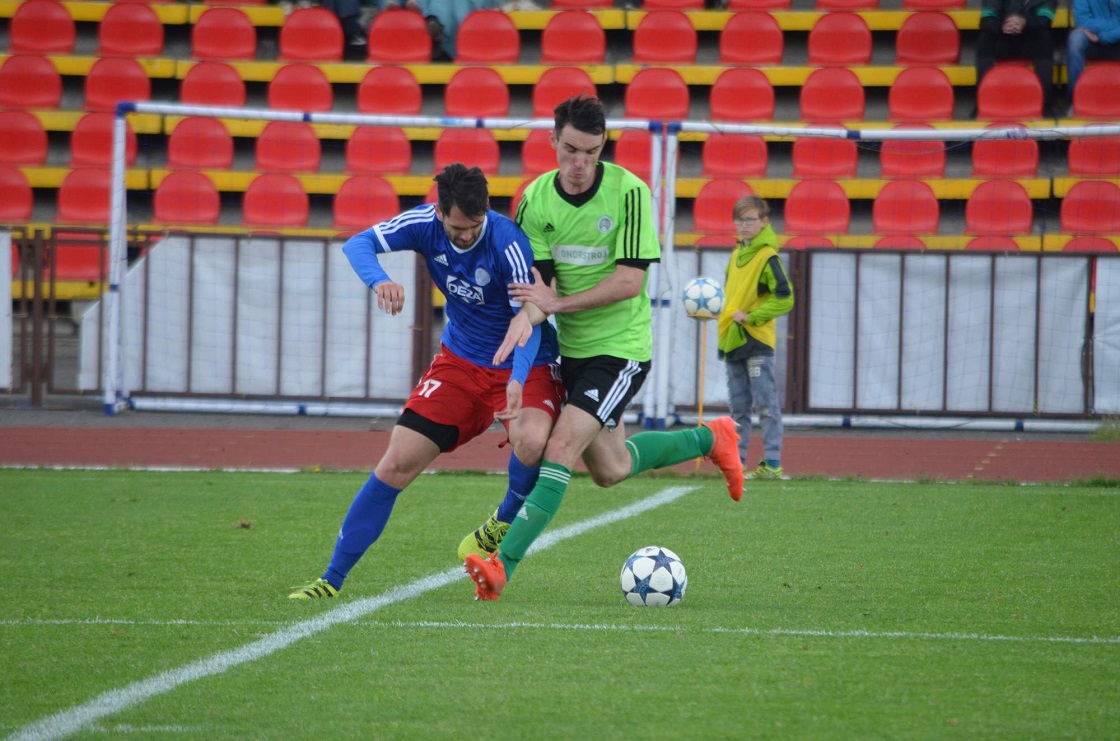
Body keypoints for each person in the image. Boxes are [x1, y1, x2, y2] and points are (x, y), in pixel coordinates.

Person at [461, 94, 745, 602]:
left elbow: (629, 283)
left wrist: (556, 304)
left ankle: (502, 564)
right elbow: (539, 293)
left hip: (621, 350)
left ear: (603, 146)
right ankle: (710, 438)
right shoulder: (534, 200)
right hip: (569, 352)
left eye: (591, 153)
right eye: (570, 150)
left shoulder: (630, 193)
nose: (579, 164)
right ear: (553, 140)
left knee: (559, 448)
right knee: (610, 470)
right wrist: (521, 341)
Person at [289, 163, 564, 599]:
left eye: (474, 226)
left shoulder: (508, 242)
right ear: (439, 213)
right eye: (457, 228)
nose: (466, 236)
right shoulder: (422, 223)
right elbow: (359, 244)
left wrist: (516, 378)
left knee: (531, 442)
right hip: (460, 363)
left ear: (486, 211)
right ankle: (331, 580)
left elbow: (528, 320)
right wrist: (380, 280)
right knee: (396, 462)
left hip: (525, 361)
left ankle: (501, 521)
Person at [717, 196, 794, 481]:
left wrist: (752, 316)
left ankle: (772, 463)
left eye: (750, 219)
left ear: (764, 222)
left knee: (765, 404)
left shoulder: (768, 257)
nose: (743, 225)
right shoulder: (735, 255)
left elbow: (785, 298)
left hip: (756, 340)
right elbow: (730, 297)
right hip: (732, 339)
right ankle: (737, 463)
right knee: (738, 408)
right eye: (739, 220)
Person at [974, 0, 1057, 115]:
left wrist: (1024, 22)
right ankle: (982, 101)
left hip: (1030, 42)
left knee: (1045, 37)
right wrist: (1003, 25)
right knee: (985, 38)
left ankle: (1045, 103)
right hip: (1003, 40)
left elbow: (1045, 20)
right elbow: (986, 19)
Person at [1065, 0, 1120, 113]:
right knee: (1076, 39)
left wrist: (1102, 37)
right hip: (1091, 40)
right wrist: (1113, 24)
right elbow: (1082, 21)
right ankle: (1076, 99)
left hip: (1113, 39)